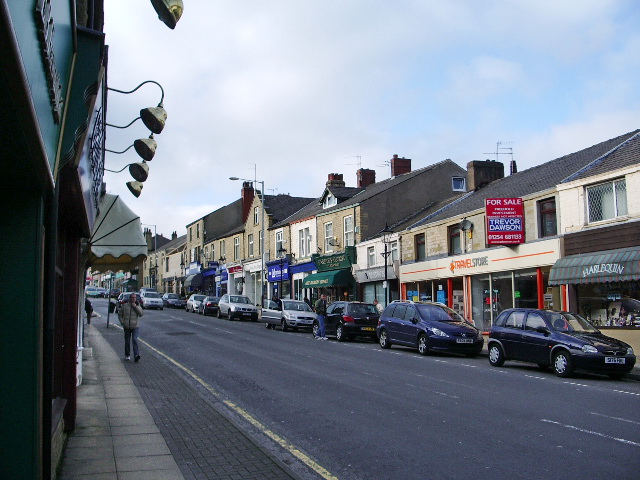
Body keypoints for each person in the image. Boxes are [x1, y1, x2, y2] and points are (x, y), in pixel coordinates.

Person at [118, 292, 144, 362]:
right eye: (132, 297)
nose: (133, 299)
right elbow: (120, 314)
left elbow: (141, 314)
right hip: (127, 327)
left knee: (134, 340)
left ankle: (136, 355)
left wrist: (135, 306)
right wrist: (122, 322)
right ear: (130, 298)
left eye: (135, 298)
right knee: (127, 341)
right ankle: (127, 355)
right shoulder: (125, 306)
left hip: (135, 326)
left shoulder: (138, 305)